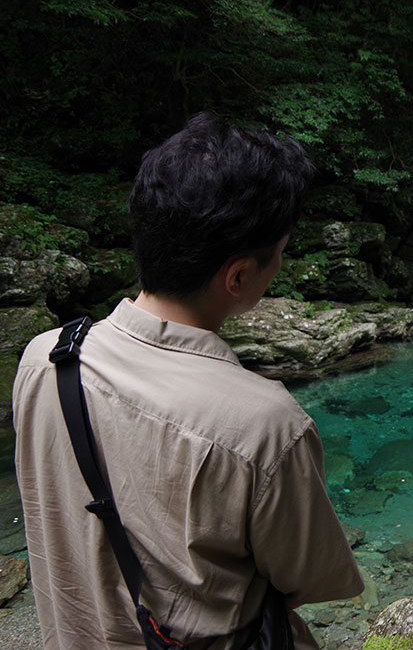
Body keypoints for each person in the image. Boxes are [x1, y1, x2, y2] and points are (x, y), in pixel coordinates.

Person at [13, 112, 363, 649]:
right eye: (280, 255)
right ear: (240, 275)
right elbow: (310, 580)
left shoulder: (46, 358)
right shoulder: (264, 424)